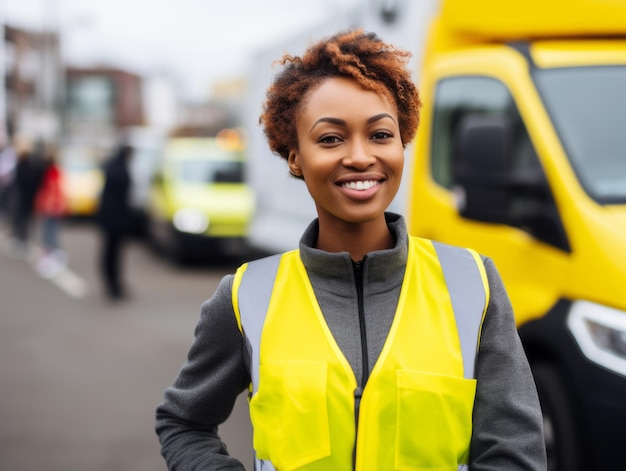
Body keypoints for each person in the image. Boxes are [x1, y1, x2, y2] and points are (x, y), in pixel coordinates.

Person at [155, 29, 547, 470]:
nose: (360, 156)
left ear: (403, 143)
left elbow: (515, 452)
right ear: (294, 157)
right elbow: (183, 422)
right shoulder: (246, 297)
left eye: (380, 135)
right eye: (330, 139)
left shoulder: (473, 286)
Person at [95, 144, 133, 300]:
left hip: (111, 219)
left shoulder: (113, 167)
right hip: (115, 220)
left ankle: (113, 283)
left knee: (111, 253)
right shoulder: (118, 169)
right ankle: (113, 284)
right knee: (112, 253)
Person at [33, 144, 68, 278]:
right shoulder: (51, 170)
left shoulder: (53, 171)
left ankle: (53, 259)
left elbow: (54, 189)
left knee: (50, 233)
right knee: (49, 232)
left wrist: (52, 204)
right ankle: (51, 257)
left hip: (52, 207)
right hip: (51, 206)